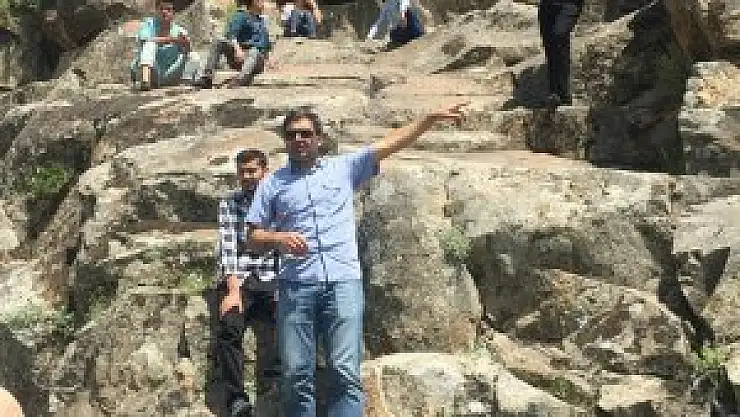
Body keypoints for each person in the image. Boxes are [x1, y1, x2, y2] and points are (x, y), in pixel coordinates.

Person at [245, 103, 465, 417]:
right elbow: (252, 236)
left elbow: (391, 143)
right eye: (292, 135)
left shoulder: (343, 168)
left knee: (345, 370)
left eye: (306, 133)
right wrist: (278, 238)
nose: (299, 140)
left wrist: (428, 118)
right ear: (285, 141)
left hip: (342, 283)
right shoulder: (272, 184)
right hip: (296, 286)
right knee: (295, 373)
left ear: (319, 138)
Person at [216, 149, 280, 417]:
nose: (247, 176)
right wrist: (233, 291)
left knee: (285, 322)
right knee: (229, 328)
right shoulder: (230, 204)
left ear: (265, 171)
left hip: (272, 275)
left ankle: (275, 388)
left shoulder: (279, 201)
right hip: (241, 277)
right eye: (242, 172)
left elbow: (283, 248)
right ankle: (236, 398)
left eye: (252, 171)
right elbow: (228, 248)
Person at [200, 0, 271, 89]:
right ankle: (207, 78)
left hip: (256, 60)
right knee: (218, 42)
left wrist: (267, 59)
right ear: (254, 2)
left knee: (254, 51)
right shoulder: (241, 15)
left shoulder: (262, 21)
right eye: (261, 1)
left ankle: (241, 79)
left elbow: (266, 45)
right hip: (239, 56)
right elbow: (231, 35)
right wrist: (238, 50)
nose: (263, 3)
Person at [131, 1, 190, 91]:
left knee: (193, 56)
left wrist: (186, 44)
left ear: (173, 13)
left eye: (168, 9)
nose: (164, 12)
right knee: (149, 44)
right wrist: (171, 39)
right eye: (161, 9)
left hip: (169, 73)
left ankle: (188, 82)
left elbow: (186, 52)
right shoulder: (149, 24)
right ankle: (145, 82)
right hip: (152, 71)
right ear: (156, 11)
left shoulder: (180, 31)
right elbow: (144, 39)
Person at [538, 0, 583, 106]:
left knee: (559, 35)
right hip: (547, 5)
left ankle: (564, 93)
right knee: (550, 47)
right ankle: (554, 93)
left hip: (569, 4)